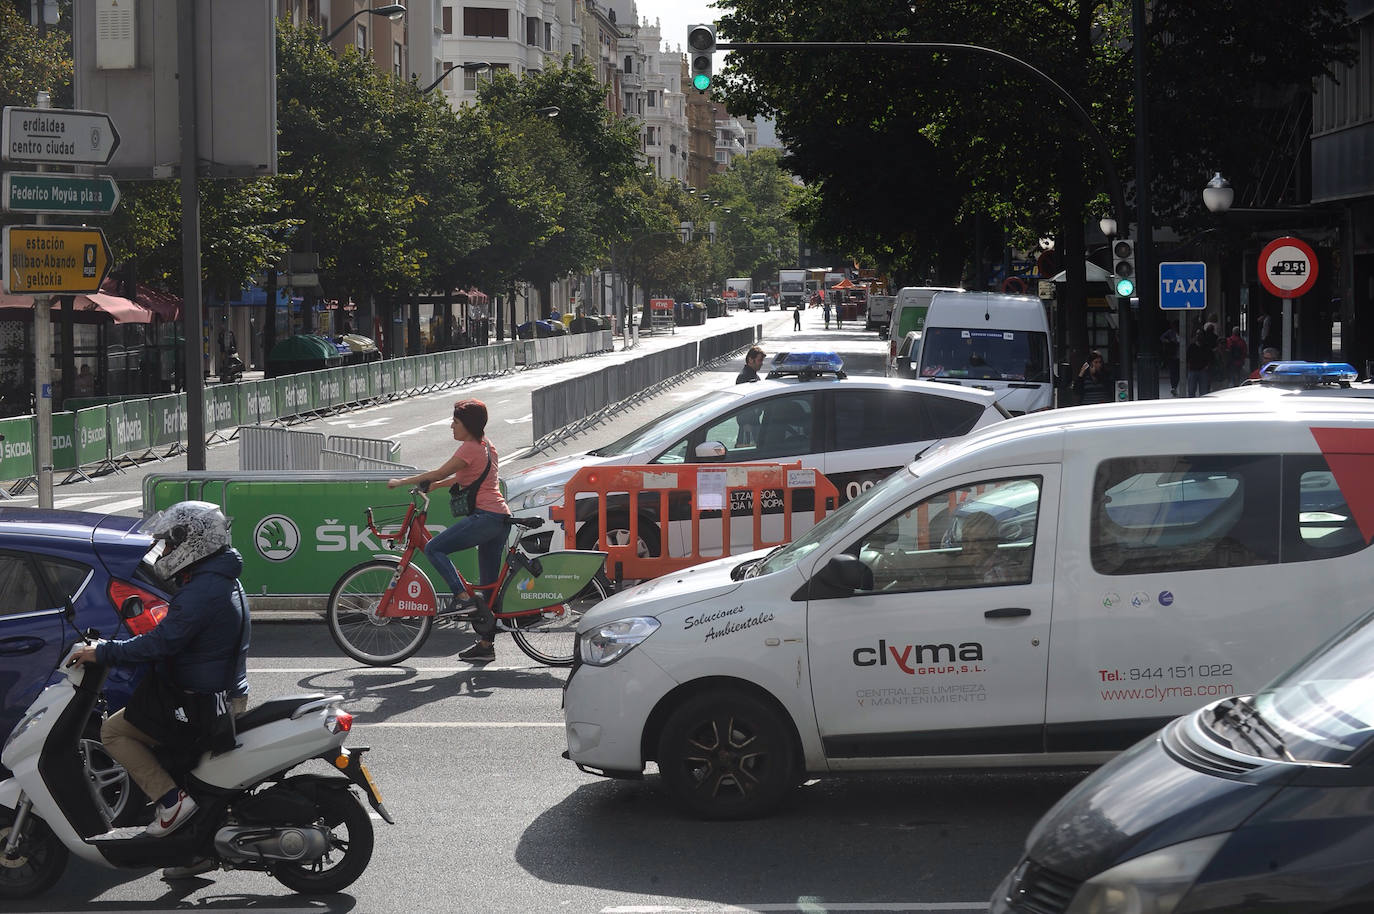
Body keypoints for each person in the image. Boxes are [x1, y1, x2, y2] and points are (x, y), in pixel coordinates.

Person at [68, 501, 250, 848]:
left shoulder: (201, 591)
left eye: (170, 542)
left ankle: (170, 802)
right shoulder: (221, 579)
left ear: (193, 541)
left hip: (201, 702)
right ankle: (193, 850)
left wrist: (103, 652)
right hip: (219, 694)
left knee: (113, 730)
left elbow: (161, 643)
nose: (166, 550)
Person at [389, 399, 511, 663]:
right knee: (489, 587)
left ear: (467, 425)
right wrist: (437, 487)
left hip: (485, 517)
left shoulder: (469, 448)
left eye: (455, 422)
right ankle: (485, 645)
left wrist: (402, 481)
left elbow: (440, 470)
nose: (451, 426)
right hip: (499, 518)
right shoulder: (486, 446)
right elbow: (460, 475)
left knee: (434, 547)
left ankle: (462, 597)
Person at [952, 511, 1008, 585]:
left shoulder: (1000, 572)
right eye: (965, 541)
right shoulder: (959, 567)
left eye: (976, 541)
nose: (969, 548)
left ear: (991, 544)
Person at [1186, 328, 1213, 397]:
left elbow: (1210, 358)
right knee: (1191, 391)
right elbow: (1187, 357)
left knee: (1204, 392)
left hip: (1203, 371)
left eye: (1200, 334)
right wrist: (1189, 366)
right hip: (1192, 370)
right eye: (1197, 334)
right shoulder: (1191, 346)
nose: (1198, 336)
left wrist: (1207, 366)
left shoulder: (1207, 347)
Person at [1160, 321, 1181, 396]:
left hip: (1180, 355)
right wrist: (1168, 341)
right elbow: (1162, 338)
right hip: (1172, 354)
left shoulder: (1183, 331)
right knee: (1173, 371)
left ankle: (1175, 386)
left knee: (1178, 372)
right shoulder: (1170, 332)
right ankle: (1173, 387)